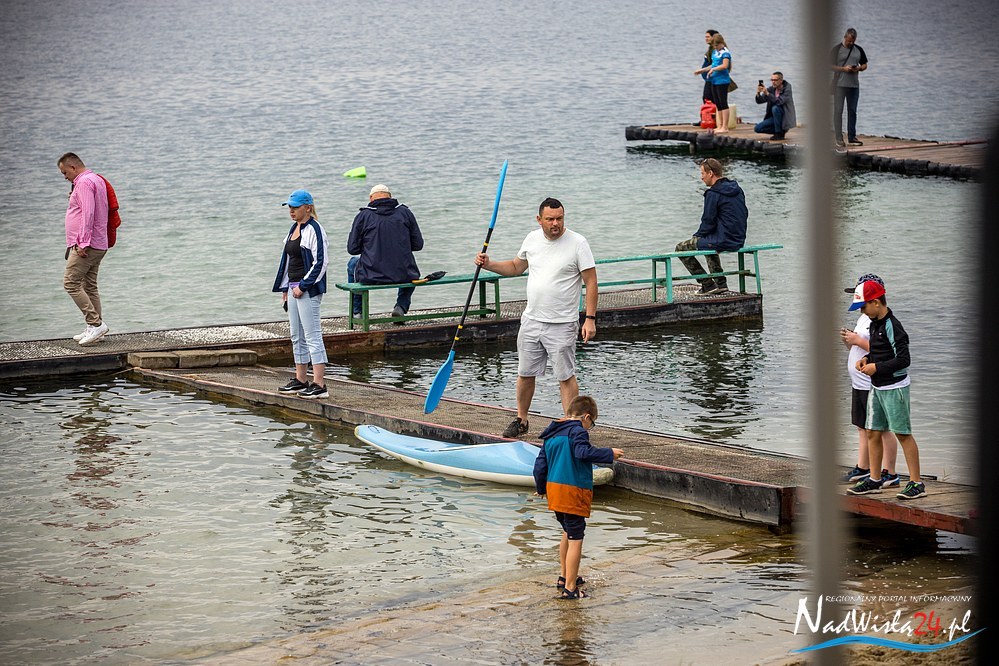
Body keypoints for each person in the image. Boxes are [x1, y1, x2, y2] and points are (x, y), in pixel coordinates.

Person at [474, 197, 598, 439]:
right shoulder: (532, 239)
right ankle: (521, 420)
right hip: (532, 320)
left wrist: (590, 318)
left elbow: (591, 281)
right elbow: (515, 267)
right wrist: (489, 264)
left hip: (563, 322)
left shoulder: (578, 243)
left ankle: (571, 426)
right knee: (525, 372)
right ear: (539, 219)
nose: (556, 223)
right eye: (550, 219)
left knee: (565, 375)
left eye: (559, 218)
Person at [532, 395, 623, 600]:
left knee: (567, 531)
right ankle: (571, 588)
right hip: (572, 491)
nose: (590, 428)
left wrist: (541, 488)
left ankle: (564, 576)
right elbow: (583, 452)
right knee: (576, 538)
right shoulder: (578, 431)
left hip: (554, 491)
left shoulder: (552, 433)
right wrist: (609, 454)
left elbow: (540, 466)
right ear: (587, 417)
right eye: (592, 423)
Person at [846, 280, 926, 499]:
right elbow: (879, 351)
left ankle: (917, 483)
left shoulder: (893, 326)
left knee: (903, 433)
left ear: (876, 302)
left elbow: (904, 360)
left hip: (895, 388)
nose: (862, 311)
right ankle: (874, 479)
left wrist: (877, 367)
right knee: (872, 432)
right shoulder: (873, 323)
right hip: (877, 387)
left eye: (864, 306)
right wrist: (866, 359)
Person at [839, 274, 899, 487]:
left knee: (881, 429)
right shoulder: (863, 318)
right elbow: (859, 346)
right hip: (858, 382)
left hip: (871, 383)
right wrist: (850, 341)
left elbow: (884, 350)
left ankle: (889, 471)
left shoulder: (882, 322)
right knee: (862, 427)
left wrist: (858, 340)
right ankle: (863, 467)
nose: (858, 305)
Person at [272, 189, 330, 399]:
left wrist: (303, 286)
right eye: (290, 207)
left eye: (295, 207)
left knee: (313, 336)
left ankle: (320, 384)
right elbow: (288, 261)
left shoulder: (315, 229)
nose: (291, 211)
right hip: (292, 288)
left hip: (308, 290)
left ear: (308, 207)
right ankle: (300, 379)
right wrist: (285, 288)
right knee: (297, 336)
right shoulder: (293, 228)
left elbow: (321, 262)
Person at [347, 183, 424, 321]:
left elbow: (352, 249)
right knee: (410, 266)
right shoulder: (405, 212)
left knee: (353, 263)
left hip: (371, 274)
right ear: (390, 197)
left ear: (371, 198)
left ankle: (357, 311)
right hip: (403, 273)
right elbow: (418, 245)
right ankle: (401, 306)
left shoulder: (363, 216)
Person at [58, 152, 111, 346]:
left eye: (65, 173)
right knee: (89, 285)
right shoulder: (95, 179)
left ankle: (96, 324)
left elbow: (88, 214)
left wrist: (83, 242)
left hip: (87, 245)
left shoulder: (84, 183)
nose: (65, 177)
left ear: (73, 167)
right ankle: (95, 329)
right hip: (99, 242)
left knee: (70, 283)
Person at [675, 158, 748, 295]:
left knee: (680, 249)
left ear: (710, 173)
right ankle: (721, 284)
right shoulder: (737, 189)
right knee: (708, 241)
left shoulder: (713, 194)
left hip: (724, 240)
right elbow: (744, 213)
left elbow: (708, 221)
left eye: (702, 173)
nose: (701, 177)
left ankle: (707, 284)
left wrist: (697, 236)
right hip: (738, 239)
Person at [830, 27, 868, 147]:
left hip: (854, 86)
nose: (851, 43)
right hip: (839, 86)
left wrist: (859, 68)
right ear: (845, 37)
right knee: (838, 111)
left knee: (852, 111)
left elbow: (865, 64)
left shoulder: (858, 50)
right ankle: (839, 138)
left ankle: (852, 137)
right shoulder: (837, 49)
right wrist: (843, 69)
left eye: (853, 41)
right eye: (849, 41)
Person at [693, 33, 733, 133]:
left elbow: (724, 65)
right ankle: (720, 125)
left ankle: (725, 127)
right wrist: (702, 70)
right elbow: (713, 65)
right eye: (714, 46)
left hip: (722, 81)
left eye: (716, 45)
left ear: (720, 43)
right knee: (718, 103)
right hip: (714, 80)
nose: (715, 47)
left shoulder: (725, 53)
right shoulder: (715, 52)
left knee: (723, 103)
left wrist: (714, 69)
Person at [754, 71, 797, 140]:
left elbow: (779, 101)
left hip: (784, 118)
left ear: (781, 81)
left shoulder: (787, 89)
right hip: (773, 118)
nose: (773, 82)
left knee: (775, 108)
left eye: (775, 80)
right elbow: (760, 101)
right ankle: (780, 131)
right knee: (757, 128)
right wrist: (758, 93)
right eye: (772, 80)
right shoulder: (771, 89)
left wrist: (767, 94)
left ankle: (778, 133)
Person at [695, 29, 720, 122]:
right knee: (707, 98)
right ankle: (707, 119)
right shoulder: (711, 49)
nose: (706, 39)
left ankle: (712, 120)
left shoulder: (716, 50)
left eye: (708, 37)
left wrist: (702, 70)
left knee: (710, 98)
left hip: (713, 78)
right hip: (708, 78)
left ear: (714, 37)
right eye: (705, 37)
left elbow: (716, 64)